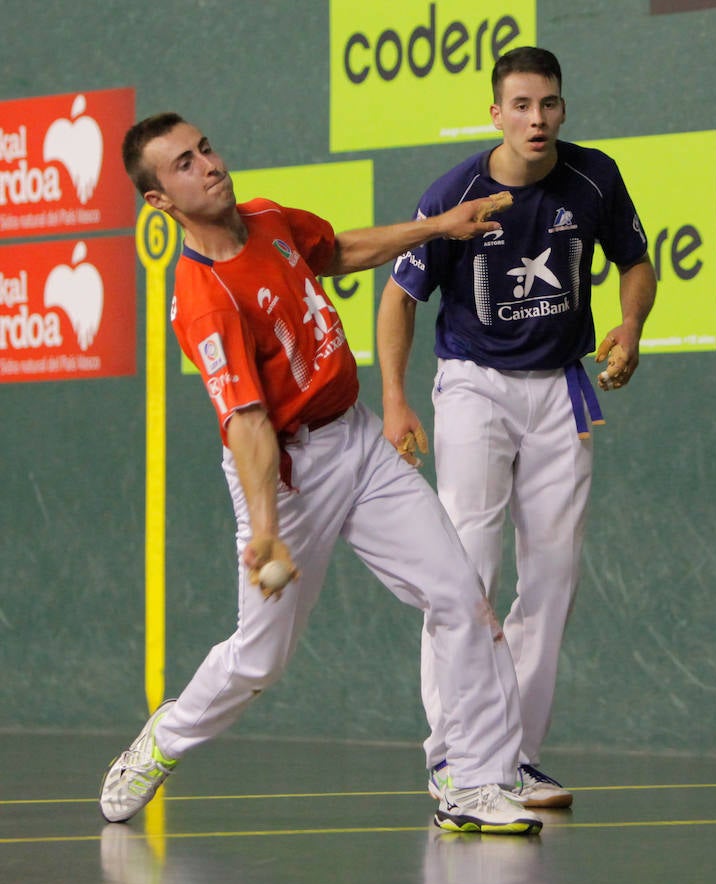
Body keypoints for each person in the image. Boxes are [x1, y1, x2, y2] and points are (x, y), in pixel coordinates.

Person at [99, 112, 543, 836]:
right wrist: (268, 531)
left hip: (360, 442)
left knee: (461, 595)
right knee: (260, 660)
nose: (208, 165)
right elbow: (246, 422)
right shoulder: (205, 298)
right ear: (160, 200)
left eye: (205, 148)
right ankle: (163, 740)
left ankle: (474, 780)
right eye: (183, 164)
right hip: (288, 474)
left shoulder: (268, 218)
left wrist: (437, 227)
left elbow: (335, 249)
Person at [377, 47, 657, 809]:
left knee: (554, 574)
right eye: (522, 105)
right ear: (495, 112)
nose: (538, 119)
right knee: (464, 572)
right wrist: (396, 399)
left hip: (562, 389)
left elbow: (636, 260)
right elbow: (399, 297)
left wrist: (629, 325)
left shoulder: (595, 177)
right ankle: (452, 755)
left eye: (550, 105)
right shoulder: (456, 192)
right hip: (474, 387)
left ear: (563, 109)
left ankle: (517, 757)